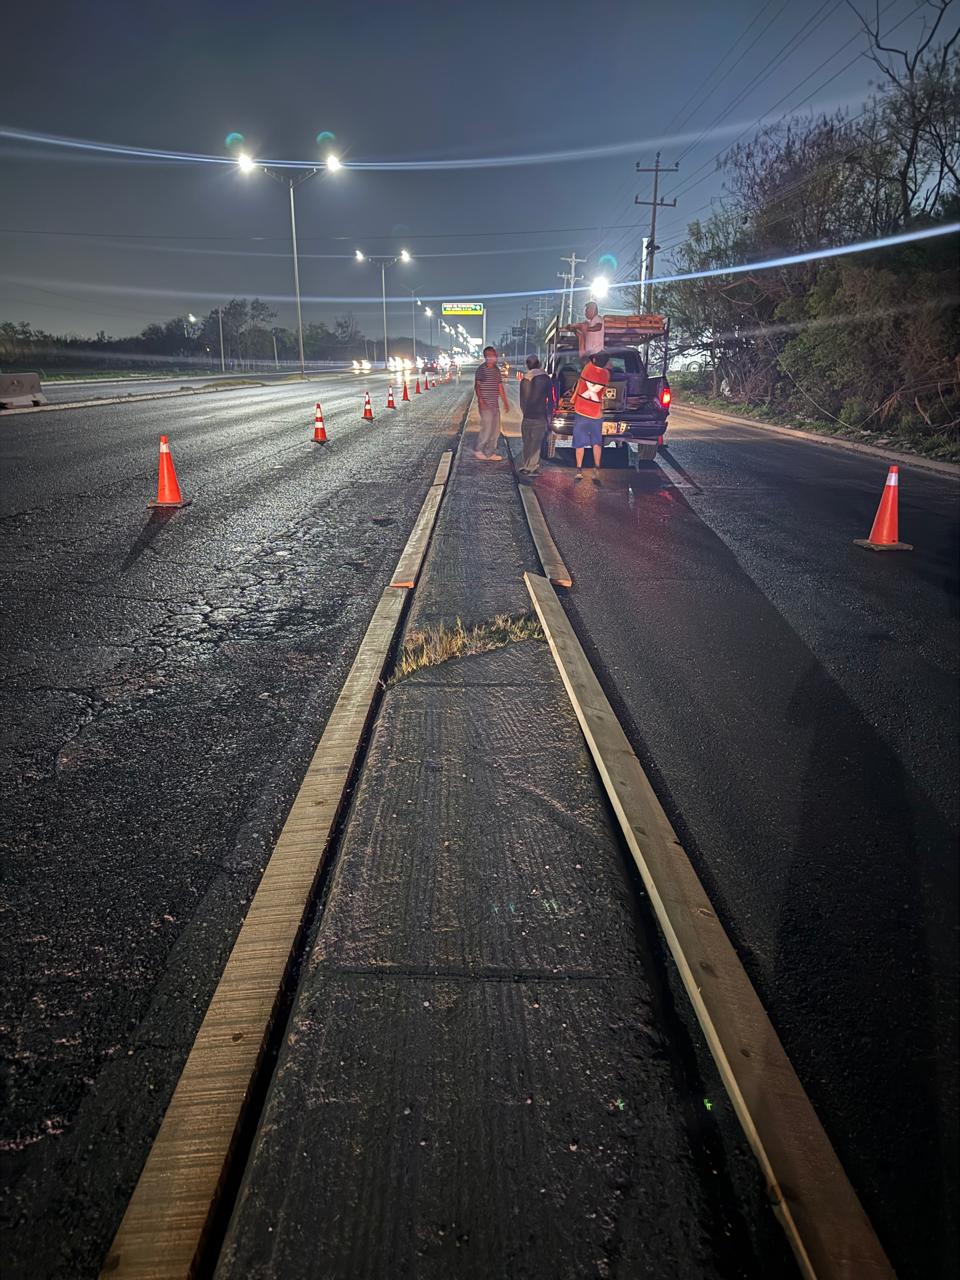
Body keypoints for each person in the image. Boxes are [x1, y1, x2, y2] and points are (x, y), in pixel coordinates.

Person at [571, 350, 611, 483]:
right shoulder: (606, 375)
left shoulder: (587, 369)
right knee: (596, 443)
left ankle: (579, 471)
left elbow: (584, 354)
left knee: (579, 444)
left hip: (581, 411)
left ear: (594, 360)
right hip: (596, 413)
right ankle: (597, 469)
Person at [517, 355, 552, 479]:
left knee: (527, 442)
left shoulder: (525, 379)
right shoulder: (546, 378)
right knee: (536, 443)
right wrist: (549, 416)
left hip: (527, 416)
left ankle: (526, 465)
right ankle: (532, 466)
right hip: (540, 416)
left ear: (527, 365)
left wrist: (525, 413)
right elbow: (551, 400)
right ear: (539, 364)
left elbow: (522, 401)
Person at [473, 345, 509, 461]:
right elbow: (477, 387)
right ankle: (479, 449)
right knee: (487, 428)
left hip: (495, 405)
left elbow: (500, 387)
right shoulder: (481, 370)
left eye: (495, 355)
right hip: (485, 405)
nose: (495, 357)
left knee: (495, 430)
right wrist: (481, 401)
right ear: (487, 357)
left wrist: (505, 402)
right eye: (493, 355)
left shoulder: (496, 370)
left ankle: (490, 452)